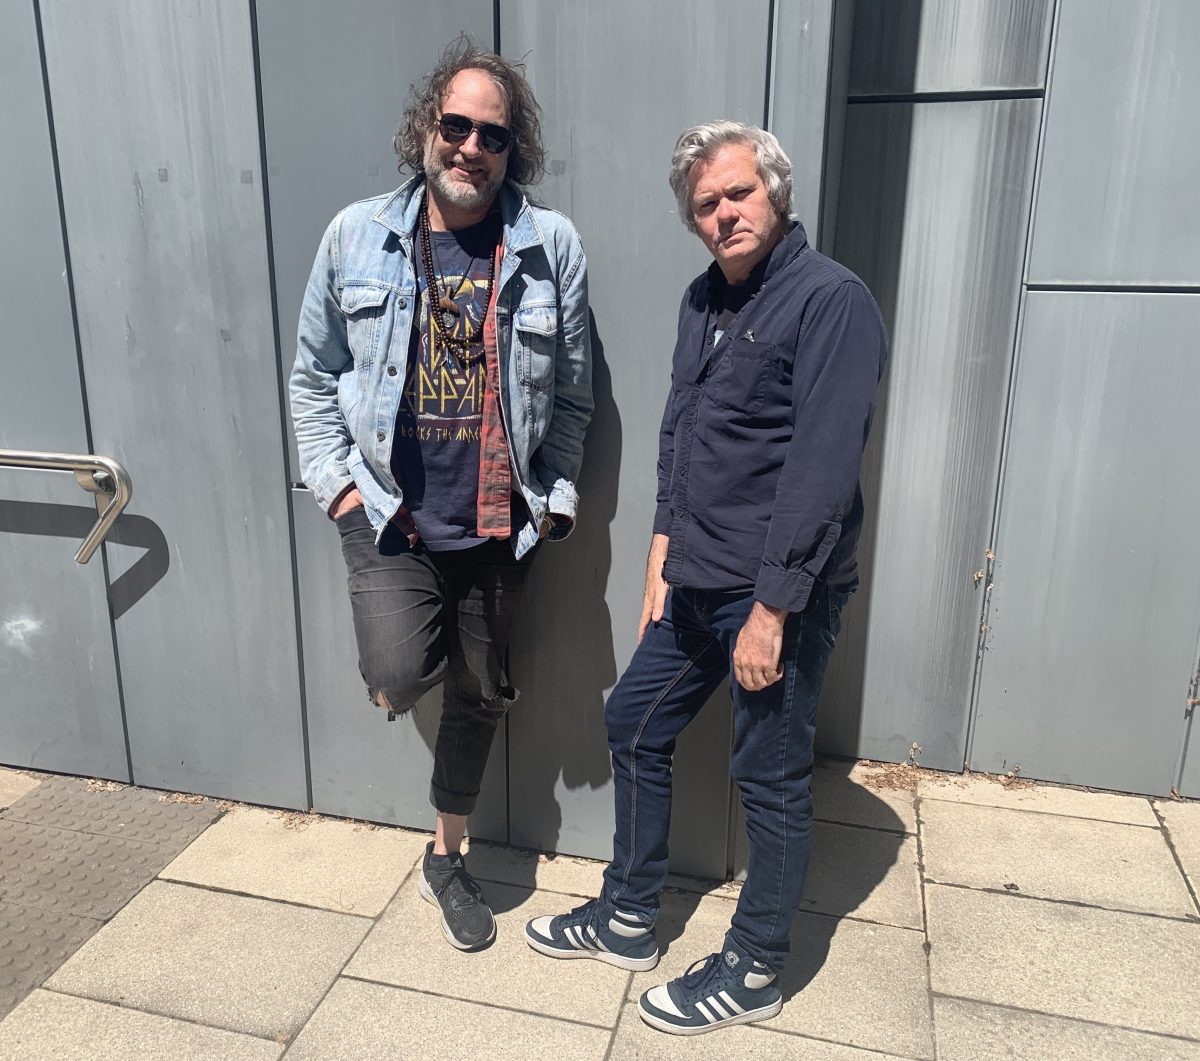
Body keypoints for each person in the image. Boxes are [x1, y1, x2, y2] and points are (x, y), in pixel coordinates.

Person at [525, 121, 886, 1034]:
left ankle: (759, 964)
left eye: (738, 193)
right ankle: (631, 914)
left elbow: (820, 470)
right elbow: (680, 438)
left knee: (767, 775)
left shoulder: (831, 301)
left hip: (777, 592)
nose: (724, 213)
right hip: (697, 579)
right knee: (633, 720)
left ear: (775, 191)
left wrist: (772, 608)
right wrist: (660, 556)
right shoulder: (702, 301)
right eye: (706, 205)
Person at [290, 37, 592, 952]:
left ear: (513, 150)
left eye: (491, 135)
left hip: (503, 519)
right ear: (428, 127)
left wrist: (559, 494)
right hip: (390, 518)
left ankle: (445, 853)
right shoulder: (357, 236)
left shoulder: (551, 247)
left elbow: (573, 394)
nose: (470, 147)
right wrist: (340, 491)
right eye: (454, 125)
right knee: (397, 672)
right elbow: (313, 377)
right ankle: (399, 667)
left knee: (484, 689)